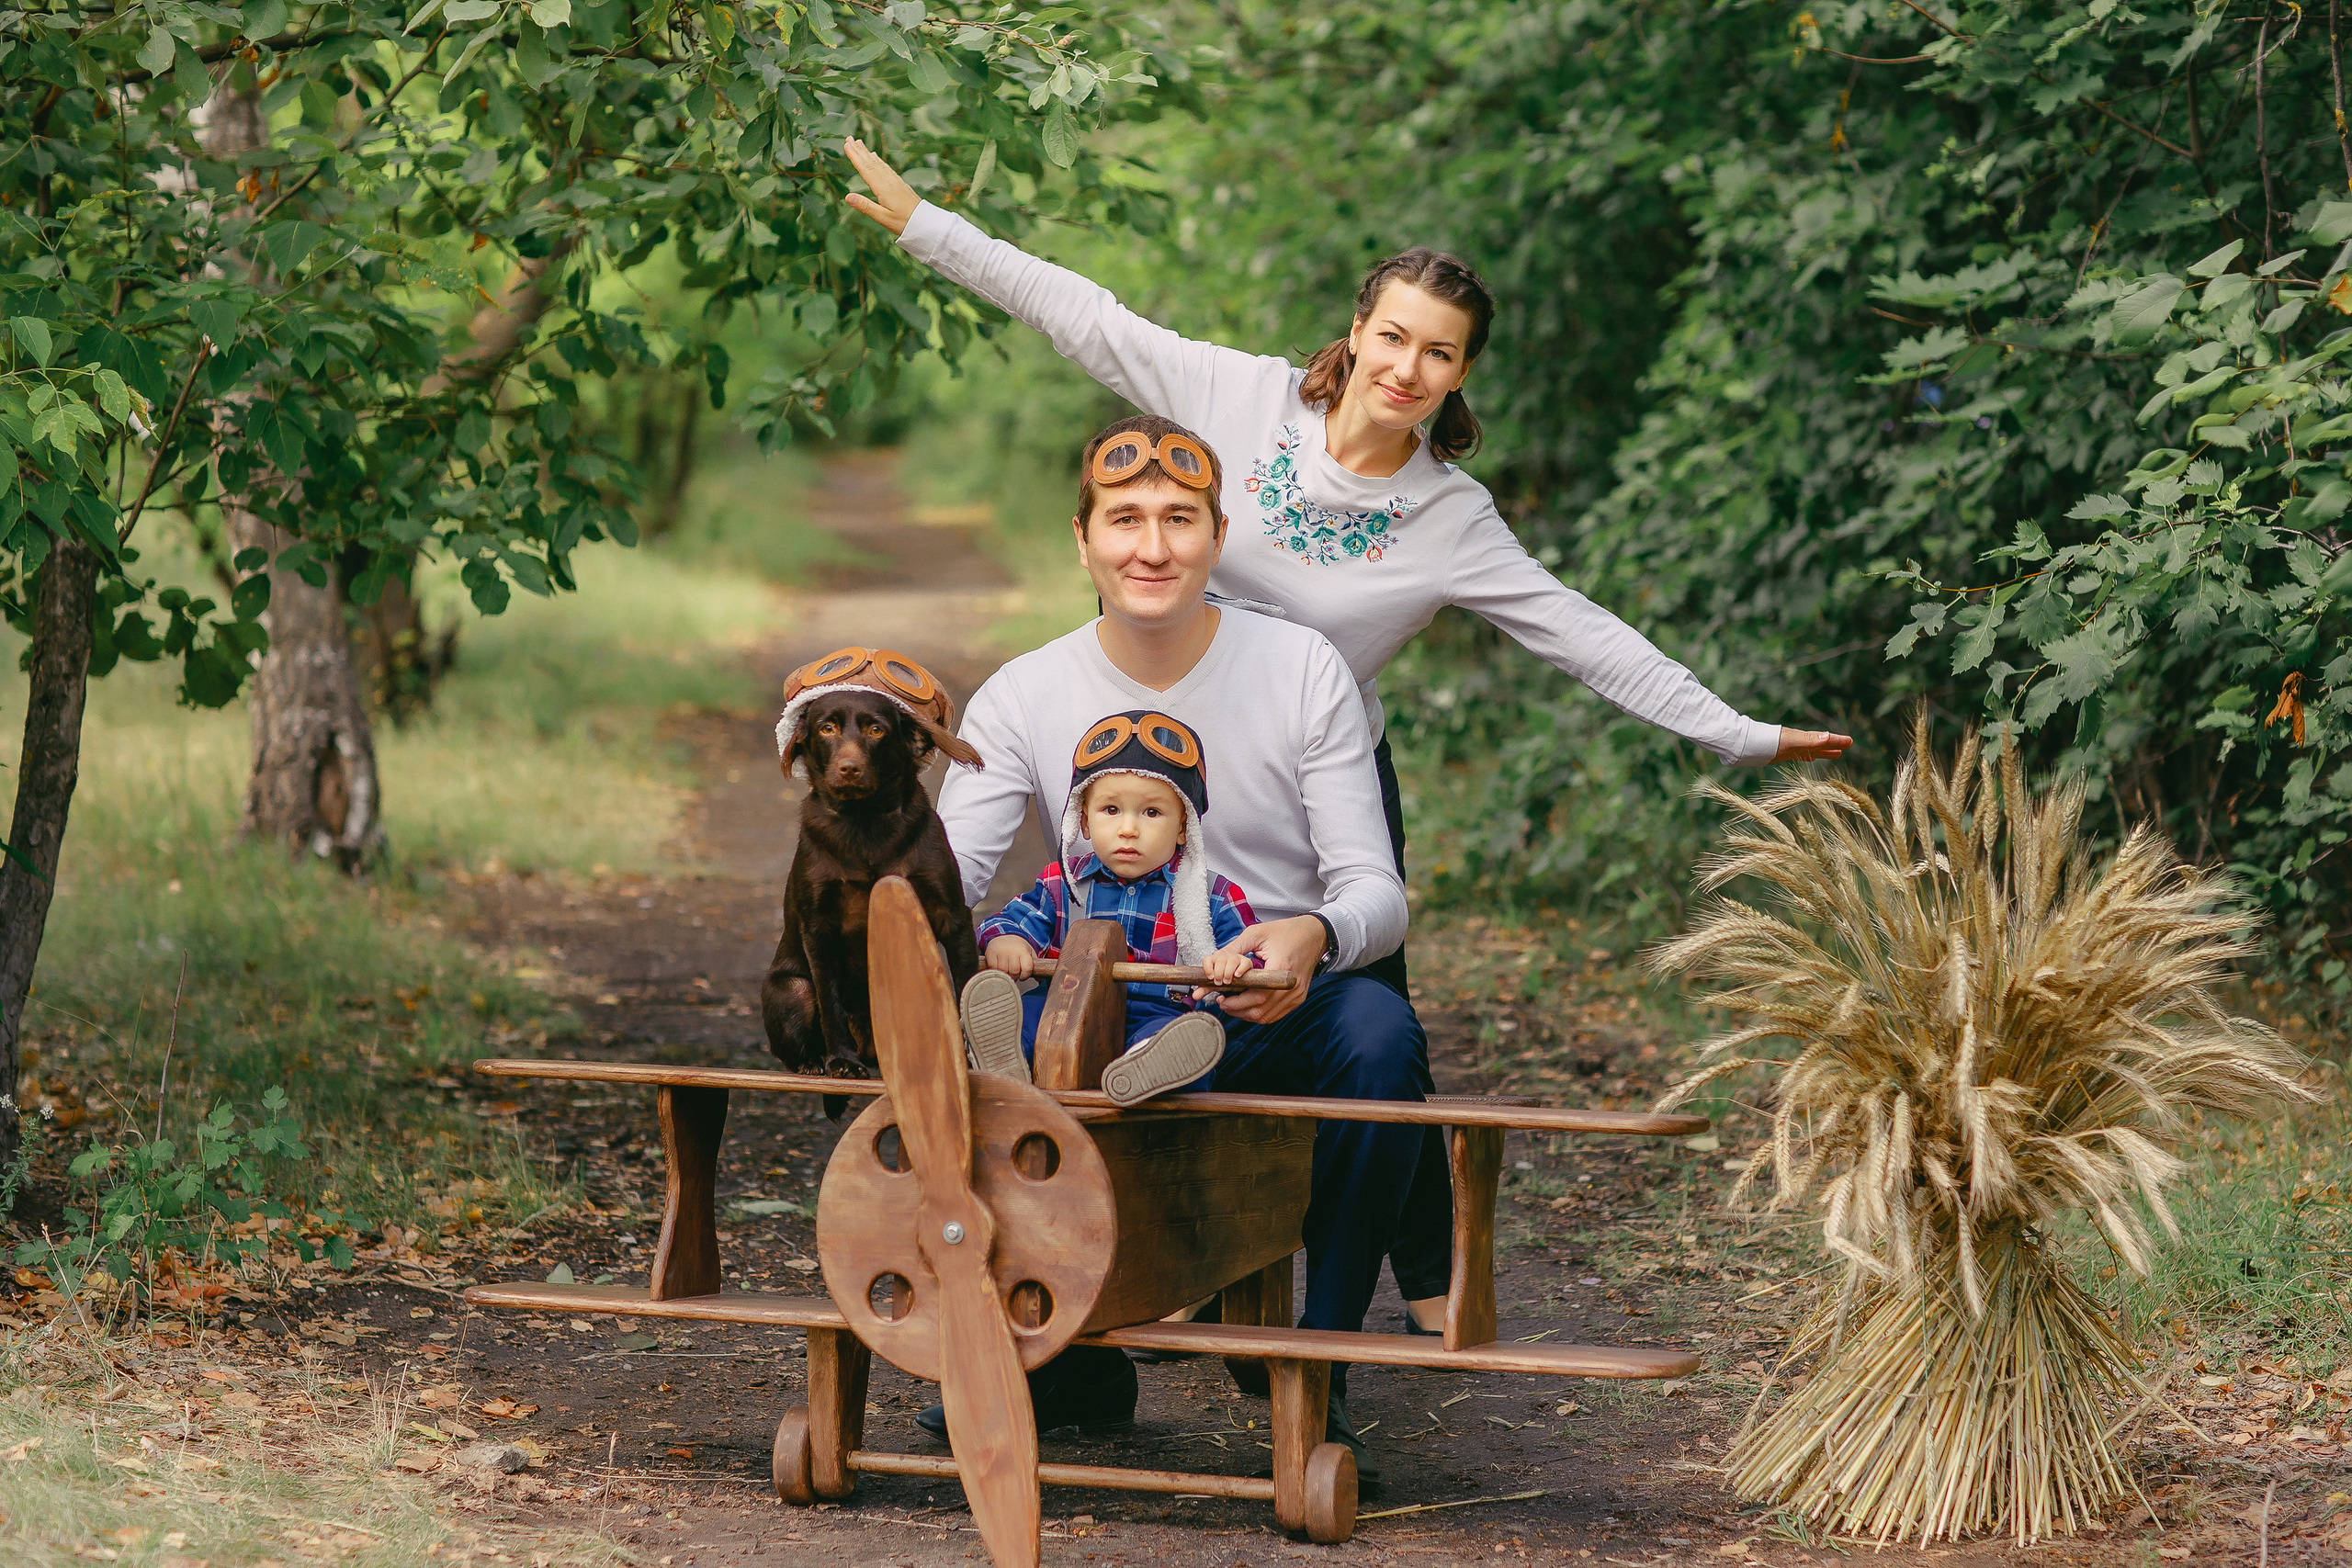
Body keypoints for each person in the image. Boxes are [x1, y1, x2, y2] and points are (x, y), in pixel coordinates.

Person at [842, 138, 1855, 1333]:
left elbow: (1583, 634)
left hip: (1315, 759)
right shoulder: (1244, 400)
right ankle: (1138, 1273)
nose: (1408, 366)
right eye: (1395, 335)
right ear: (1359, 328)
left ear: (1462, 370)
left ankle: (1407, 1283)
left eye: (1440, 351)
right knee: (1135, 972)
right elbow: (1088, 317)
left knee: (1372, 1027)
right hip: (1150, 732)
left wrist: (1738, 731)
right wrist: (929, 231)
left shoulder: (1449, 517)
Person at [920, 412, 1417, 1483]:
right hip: (1083, 1015)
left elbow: (1377, 891)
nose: (1153, 546)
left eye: (1179, 520)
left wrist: (1315, 932)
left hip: (1257, 1003)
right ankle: (1051, 1350)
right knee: (965, 1020)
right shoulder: (1025, 691)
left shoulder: (1301, 668)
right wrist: (989, 947)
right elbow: (942, 889)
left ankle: (1315, 1370)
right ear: (1082, 538)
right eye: (1126, 519)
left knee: (1380, 1032)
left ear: (1217, 533)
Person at [962, 705, 1260, 1107]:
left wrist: (1236, 964)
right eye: (1111, 810)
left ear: (1183, 827)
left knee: (1187, 1039)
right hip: (1062, 1012)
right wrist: (1009, 940)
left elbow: (1252, 951)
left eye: (1151, 812)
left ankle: (1145, 1070)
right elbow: (1012, 920)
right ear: (1083, 821)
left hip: (1158, 1015)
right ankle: (1003, 1059)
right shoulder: (1062, 884)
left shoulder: (1212, 895)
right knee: (1026, 1016)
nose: (1128, 828)